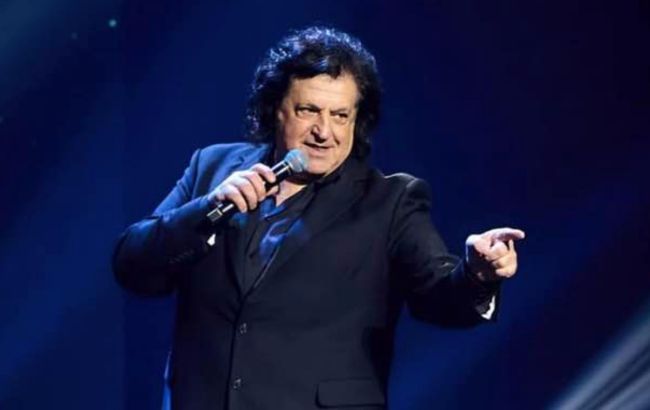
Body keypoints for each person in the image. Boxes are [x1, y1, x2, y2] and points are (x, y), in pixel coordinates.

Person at [113, 26, 525, 410]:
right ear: (275, 109)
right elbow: (132, 265)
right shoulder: (213, 168)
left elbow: (438, 296)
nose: (324, 132)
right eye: (309, 110)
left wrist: (477, 275)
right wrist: (206, 211)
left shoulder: (390, 202)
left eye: (340, 115)